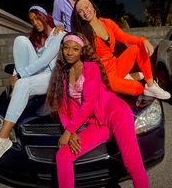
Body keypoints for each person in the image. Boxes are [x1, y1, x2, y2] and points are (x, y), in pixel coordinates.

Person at [46, 32, 150, 188]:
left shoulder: (91, 68)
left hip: (116, 112)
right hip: (97, 123)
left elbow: (89, 102)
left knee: (132, 163)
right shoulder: (62, 74)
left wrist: (68, 132)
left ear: (82, 51)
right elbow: (62, 107)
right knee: (62, 156)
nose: (69, 52)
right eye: (66, 48)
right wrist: (70, 131)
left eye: (75, 49)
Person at [0, 5, 66, 163]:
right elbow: (24, 60)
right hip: (39, 75)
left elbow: (45, 61)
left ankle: (2, 138)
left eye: (36, 17)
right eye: (31, 20)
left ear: (44, 15)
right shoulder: (37, 39)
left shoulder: (59, 33)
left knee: (23, 84)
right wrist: (15, 75)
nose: (35, 22)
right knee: (20, 40)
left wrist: (20, 76)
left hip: (54, 76)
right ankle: (20, 88)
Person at [71, 0, 171, 99]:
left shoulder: (107, 23)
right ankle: (129, 78)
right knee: (137, 88)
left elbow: (124, 37)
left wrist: (142, 40)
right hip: (103, 74)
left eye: (86, 7)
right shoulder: (82, 33)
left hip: (115, 65)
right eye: (80, 11)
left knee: (137, 48)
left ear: (93, 7)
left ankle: (150, 85)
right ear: (79, 16)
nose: (85, 12)